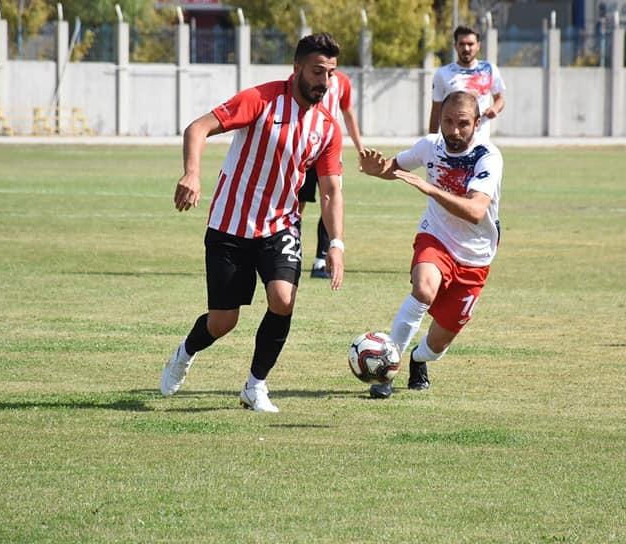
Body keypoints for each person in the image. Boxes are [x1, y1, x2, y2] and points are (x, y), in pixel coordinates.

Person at [160, 32, 347, 413]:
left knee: (283, 299)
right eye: (317, 72)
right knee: (223, 321)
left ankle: (255, 385)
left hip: (280, 225)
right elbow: (197, 128)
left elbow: (330, 190)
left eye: (330, 74)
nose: (324, 83)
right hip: (230, 225)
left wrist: (336, 244)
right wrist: (192, 174)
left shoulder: (327, 127)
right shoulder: (260, 100)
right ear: (296, 68)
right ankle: (185, 351)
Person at [358, 91, 502, 399]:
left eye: (462, 123)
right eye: (447, 121)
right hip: (435, 237)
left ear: (476, 123)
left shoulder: (487, 157)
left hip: (475, 256)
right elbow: (394, 167)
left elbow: (476, 211)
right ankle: (386, 372)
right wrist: (376, 170)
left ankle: (417, 359)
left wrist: (430, 189)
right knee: (423, 289)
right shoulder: (429, 146)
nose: (453, 130)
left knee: (437, 346)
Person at [297, 69, 363, 278]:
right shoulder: (305, 79)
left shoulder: (343, 82)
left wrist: (360, 148)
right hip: (304, 150)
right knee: (296, 205)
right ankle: (291, 254)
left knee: (331, 201)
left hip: (329, 152)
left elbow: (348, 113)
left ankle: (320, 260)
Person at [429, 25, 505, 141]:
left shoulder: (489, 69)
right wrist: (431, 141)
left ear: (478, 46)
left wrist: (494, 108)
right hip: (452, 140)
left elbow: (500, 99)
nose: (466, 48)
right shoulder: (443, 73)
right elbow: (436, 111)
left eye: (470, 44)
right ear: (455, 46)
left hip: (481, 140)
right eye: (462, 44)